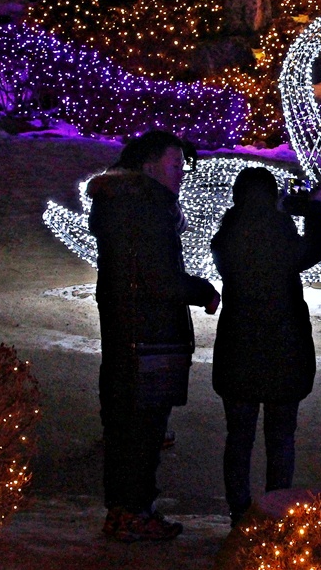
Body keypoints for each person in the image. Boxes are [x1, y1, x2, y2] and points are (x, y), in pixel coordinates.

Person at [87, 130, 220, 542]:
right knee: (142, 431)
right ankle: (135, 513)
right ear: (149, 167)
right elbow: (159, 279)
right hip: (148, 336)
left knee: (126, 428)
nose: (181, 173)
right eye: (174, 165)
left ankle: (122, 511)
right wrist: (201, 290)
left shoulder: (119, 203)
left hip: (124, 332)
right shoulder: (147, 208)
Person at [210, 168, 321, 526]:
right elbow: (315, 248)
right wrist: (312, 208)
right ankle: (275, 512)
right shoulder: (282, 239)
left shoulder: (227, 238)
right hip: (284, 350)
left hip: (238, 348)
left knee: (239, 436)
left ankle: (239, 511)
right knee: (280, 437)